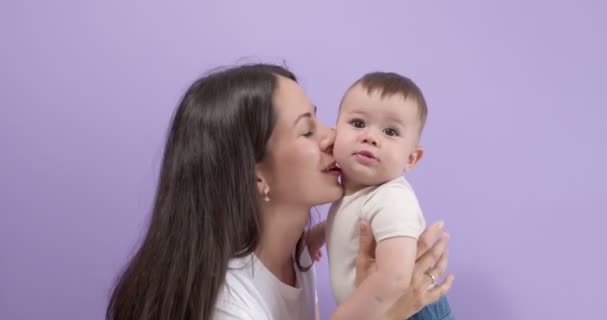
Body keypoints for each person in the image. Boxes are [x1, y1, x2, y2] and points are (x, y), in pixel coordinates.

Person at [106, 63, 454, 320]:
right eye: (307, 130)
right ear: (257, 175)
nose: (333, 135)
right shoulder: (229, 308)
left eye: (319, 118)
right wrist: (392, 313)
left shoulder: (293, 257)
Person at [307, 72, 454, 320]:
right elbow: (351, 223)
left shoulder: (392, 199)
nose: (370, 137)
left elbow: (395, 278)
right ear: (335, 133)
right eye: (358, 123)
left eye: (390, 131)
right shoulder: (357, 194)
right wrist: (316, 237)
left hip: (411, 312)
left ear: (411, 158)